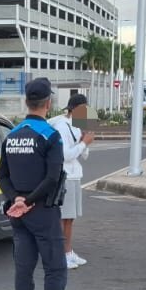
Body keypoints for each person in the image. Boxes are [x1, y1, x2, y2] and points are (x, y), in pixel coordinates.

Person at [0, 77, 83, 290]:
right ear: (48, 103)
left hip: (18, 214)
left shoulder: (12, 135)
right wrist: (30, 200)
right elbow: (53, 177)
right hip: (42, 211)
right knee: (55, 270)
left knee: (23, 272)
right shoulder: (49, 135)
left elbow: (1, 176)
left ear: (27, 102)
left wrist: (17, 199)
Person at [51, 93, 95, 269]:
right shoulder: (62, 126)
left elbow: (84, 155)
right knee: (64, 218)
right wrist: (83, 143)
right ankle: (62, 254)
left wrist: (84, 141)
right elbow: (65, 155)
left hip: (75, 175)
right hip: (65, 176)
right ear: (75, 109)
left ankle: (68, 252)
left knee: (70, 218)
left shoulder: (78, 126)